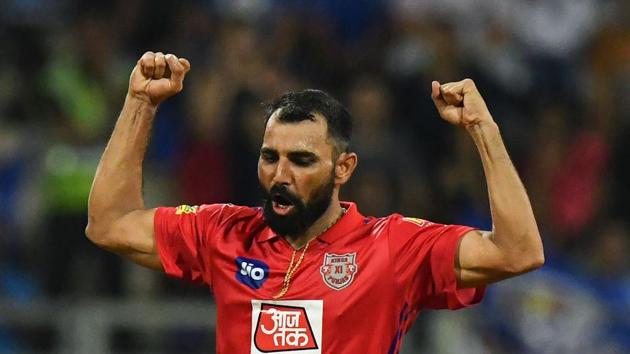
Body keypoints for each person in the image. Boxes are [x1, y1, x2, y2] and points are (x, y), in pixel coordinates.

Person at [86, 51, 544, 353]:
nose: (280, 175)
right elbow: (110, 223)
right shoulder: (224, 233)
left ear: (343, 169)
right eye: (270, 157)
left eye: (301, 160)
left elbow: (518, 251)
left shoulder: (393, 247)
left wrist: (484, 132)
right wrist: (140, 104)